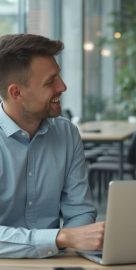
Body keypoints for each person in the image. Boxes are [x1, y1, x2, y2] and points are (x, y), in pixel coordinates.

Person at [0, 33, 104, 258]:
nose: (62, 87)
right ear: (16, 92)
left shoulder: (67, 133)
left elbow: (80, 211)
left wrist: (78, 235)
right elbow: (67, 237)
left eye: (59, 76)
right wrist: (59, 238)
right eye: (50, 81)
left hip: (55, 261)